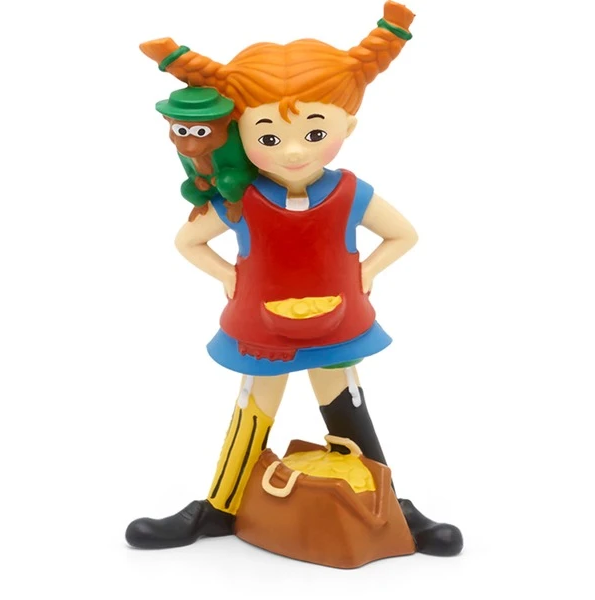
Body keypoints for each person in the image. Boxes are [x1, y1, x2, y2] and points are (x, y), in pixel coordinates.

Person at [126, 1, 463, 557]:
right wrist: (227, 276)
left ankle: (386, 503)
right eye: (268, 136)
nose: (292, 151)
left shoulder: (352, 193)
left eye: (314, 132)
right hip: (262, 329)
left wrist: (366, 273)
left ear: (347, 126)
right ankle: (220, 506)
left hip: (337, 323)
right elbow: (188, 241)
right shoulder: (239, 198)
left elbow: (404, 235)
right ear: (239, 133)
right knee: (252, 413)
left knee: (349, 410)